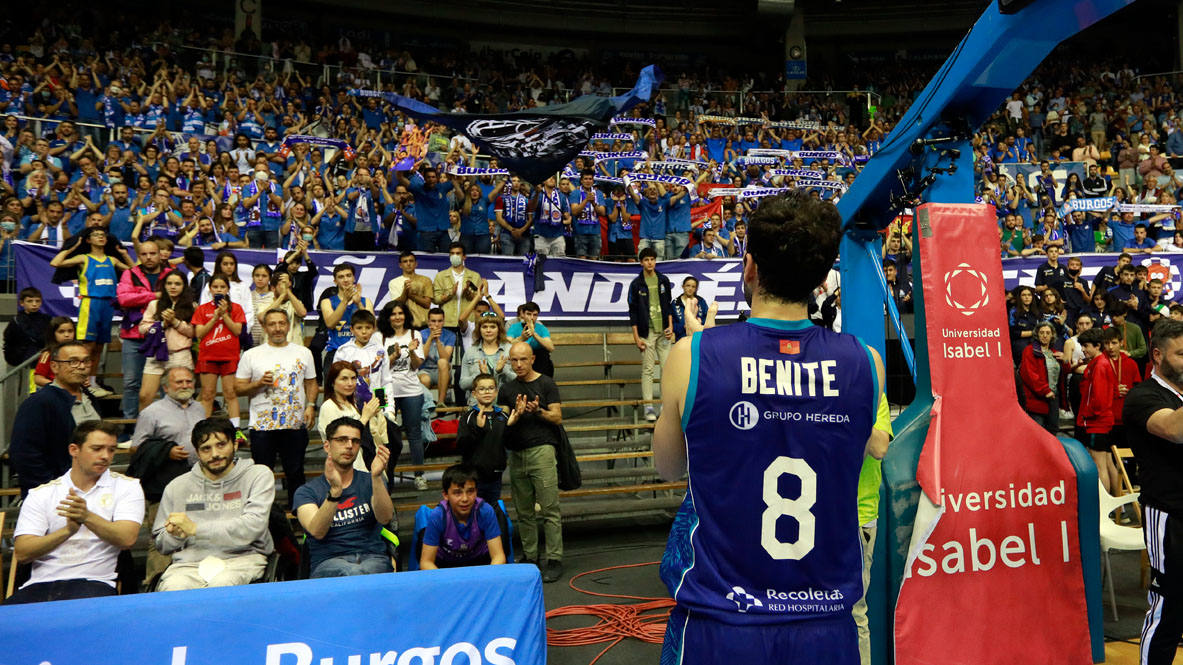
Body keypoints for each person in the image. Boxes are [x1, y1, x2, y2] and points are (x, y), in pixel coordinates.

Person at [652, 190, 885, 665]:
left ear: (750, 265)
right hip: (826, 621)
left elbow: (668, 468)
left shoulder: (691, 356)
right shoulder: (868, 363)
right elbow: (851, 459)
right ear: (822, 279)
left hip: (723, 618)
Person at [7, 421, 143, 604]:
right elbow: (23, 553)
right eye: (97, 449)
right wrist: (66, 531)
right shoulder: (43, 493)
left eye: (111, 450)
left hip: (94, 581)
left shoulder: (127, 487)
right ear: (74, 450)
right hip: (39, 583)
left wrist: (87, 517)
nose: (105, 456)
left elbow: (127, 539)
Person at [1121, 318, 1183, 665]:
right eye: (1182, 354)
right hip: (1170, 515)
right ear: (1157, 356)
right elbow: (1175, 430)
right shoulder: (1143, 396)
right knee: (1170, 605)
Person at [153, 418, 274, 590]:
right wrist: (174, 535)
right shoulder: (176, 487)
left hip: (242, 560)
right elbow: (161, 545)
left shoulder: (258, 475)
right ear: (197, 452)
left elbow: (254, 526)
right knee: (174, 588)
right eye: (206, 449)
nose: (214, 454)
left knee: (222, 585)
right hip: (189, 565)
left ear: (235, 445)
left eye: (221, 445)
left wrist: (195, 529)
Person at [129, 366, 206, 584]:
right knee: (162, 535)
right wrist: (166, 451)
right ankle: (155, 583)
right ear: (165, 387)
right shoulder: (151, 413)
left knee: (193, 532)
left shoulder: (199, 408)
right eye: (178, 382)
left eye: (188, 382)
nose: (184, 386)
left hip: (196, 481)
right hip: (163, 485)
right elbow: (136, 449)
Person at [236, 309, 318, 509]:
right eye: (272, 324)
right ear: (264, 327)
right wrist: (256, 384)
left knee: (296, 471)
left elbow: (311, 383)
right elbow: (238, 388)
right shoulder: (251, 355)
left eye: (281, 323)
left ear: (288, 325)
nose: (278, 328)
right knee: (262, 475)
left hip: (294, 423)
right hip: (262, 427)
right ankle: (265, 517)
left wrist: (311, 405)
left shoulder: (303, 352)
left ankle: (299, 513)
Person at [294, 416, 394, 578]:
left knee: (366, 572)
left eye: (355, 441)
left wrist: (376, 477)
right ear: (327, 446)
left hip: (372, 558)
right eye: (342, 440)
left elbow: (385, 518)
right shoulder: (307, 492)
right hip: (329, 562)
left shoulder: (371, 481)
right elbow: (316, 531)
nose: (349, 446)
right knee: (354, 573)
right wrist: (335, 492)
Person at [498, 342, 564, 582]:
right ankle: (531, 555)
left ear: (532, 359)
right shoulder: (507, 388)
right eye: (514, 361)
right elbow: (502, 419)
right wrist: (513, 415)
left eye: (523, 360)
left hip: (542, 451)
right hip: (516, 453)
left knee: (549, 509)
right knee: (524, 510)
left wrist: (538, 411)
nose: (518, 365)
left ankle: (554, 558)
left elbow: (557, 417)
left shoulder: (546, 383)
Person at [10, 341, 101, 497]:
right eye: (73, 362)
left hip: (91, 492)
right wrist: (54, 492)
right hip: (56, 496)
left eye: (86, 361)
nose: (81, 366)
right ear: (54, 367)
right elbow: (26, 455)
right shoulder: (39, 403)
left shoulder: (91, 399)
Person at [50, 226, 129, 396]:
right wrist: (69, 248)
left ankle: (92, 383)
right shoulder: (83, 258)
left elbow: (135, 270)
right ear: (88, 240)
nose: (100, 237)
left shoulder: (112, 260)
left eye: (103, 235)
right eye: (96, 235)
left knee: (100, 347)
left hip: (108, 304)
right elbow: (55, 262)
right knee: (87, 346)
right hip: (90, 303)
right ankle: (82, 382)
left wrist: (124, 254)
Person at [117, 238, 175, 421]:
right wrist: (155, 296)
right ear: (138, 256)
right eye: (144, 254)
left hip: (163, 336)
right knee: (131, 383)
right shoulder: (130, 273)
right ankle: (130, 425)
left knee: (165, 384)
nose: (148, 257)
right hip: (133, 335)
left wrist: (140, 296)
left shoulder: (171, 273)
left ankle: (167, 424)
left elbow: (177, 299)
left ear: (160, 255)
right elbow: (124, 299)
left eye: (152, 253)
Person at [375, 301, 427, 488]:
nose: (397, 317)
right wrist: (393, 357)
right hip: (383, 391)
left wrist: (412, 352)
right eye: (393, 314)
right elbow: (376, 367)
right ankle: (383, 476)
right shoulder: (378, 337)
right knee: (381, 434)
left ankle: (419, 475)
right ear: (387, 317)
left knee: (414, 433)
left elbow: (416, 365)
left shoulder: (415, 335)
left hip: (411, 390)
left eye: (400, 313)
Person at [419, 463, 507, 569]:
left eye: (470, 491)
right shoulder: (438, 516)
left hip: (480, 562)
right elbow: (426, 562)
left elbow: (498, 556)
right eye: (457, 493)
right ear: (446, 495)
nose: (465, 499)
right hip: (445, 565)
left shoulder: (485, 511)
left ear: (476, 491)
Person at [458, 373, 522, 504]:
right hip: (473, 476)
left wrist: (511, 426)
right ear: (474, 394)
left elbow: (510, 444)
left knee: (491, 512)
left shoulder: (503, 416)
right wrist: (479, 429)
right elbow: (462, 446)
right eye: (482, 389)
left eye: (491, 388)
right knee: (474, 513)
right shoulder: (469, 417)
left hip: (495, 475)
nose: (487, 392)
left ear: (496, 392)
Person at [137, 270, 196, 411]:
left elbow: (193, 332)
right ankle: (145, 431)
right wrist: (162, 324)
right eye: (169, 283)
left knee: (181, 397)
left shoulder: (192, 306)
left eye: (177, 284)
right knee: (145, 396)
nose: (173, 287)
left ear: (184, 286)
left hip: (180, 355)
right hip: (156, 355)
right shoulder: (154, 304)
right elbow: (142, 329)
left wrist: (174, 321)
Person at [192, 275, 247, 424]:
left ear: (228, 289)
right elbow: (199, 333)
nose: (219, 290)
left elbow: (237, 331)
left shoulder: (236, 308)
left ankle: (235, 431)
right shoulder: (202, 309)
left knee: (230, 393)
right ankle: (204, 429)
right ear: (210, 289)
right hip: (208, 357)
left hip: (229, 357)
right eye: (215, 287)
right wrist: (215, 318)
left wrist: (225, 315)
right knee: (208, 394)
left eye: (222, 287)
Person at [1073, 328, 1122, 495]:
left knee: (1099, 465)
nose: (1083, 349)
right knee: (1108, 463)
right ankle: (1119, 509)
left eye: (1086, 346)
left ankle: (1104, 510)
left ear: (1097, 346)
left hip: (1097, 422)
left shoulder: (1100, 365)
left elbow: (1099, 399)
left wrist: (1089, 414)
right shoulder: (1101, 362)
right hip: (1103, 421)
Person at [628, 246, 674, 421]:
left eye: (653, 259)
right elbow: (632, 312)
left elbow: (668, 304)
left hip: (663, 331)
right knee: (647, 369)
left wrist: (669, 325)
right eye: (646, 260)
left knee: (667, 369)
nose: (650, 262)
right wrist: (636, 336)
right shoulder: (636, 284)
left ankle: (665, 404)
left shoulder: (663, 280)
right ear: (641, 262)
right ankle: (648, 406)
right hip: (646, 332)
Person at [320, 262, 374, 370]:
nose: (345, 279)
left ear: (353, 278)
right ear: (335, 281)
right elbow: (330, 324)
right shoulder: (327, 302)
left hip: (361, 351)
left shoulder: (365, 301)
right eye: (341, 277)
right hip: (336, 352)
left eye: (349, 275)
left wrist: (359, 303)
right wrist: (345, 300)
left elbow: (373, 326)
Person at [1019, 322, 1067, 433]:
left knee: (1053, 431)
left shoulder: (1055, 353)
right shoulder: (1029, 351)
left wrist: (1065, 360)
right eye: (1041, 333)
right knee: (1037, 433)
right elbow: (1030, 375)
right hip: (1037, 398)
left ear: (1052, 335)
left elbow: (1063, 374)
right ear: (1037, 335)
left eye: (1047, 333)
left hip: (1053, 398)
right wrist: (1045, 390)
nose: (1045, 335)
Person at [461, 314, 516, 405]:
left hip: (505, 403)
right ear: (479, 330)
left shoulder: (510, 350)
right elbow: (463, 384)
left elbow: (519, 380)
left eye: (493, 327)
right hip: (477, 404)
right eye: (484, 327)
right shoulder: (470, 352)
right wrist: (479, 375)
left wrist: (504, 371)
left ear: (499, 329)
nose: (488, 330)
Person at [4, 286, 51, 369]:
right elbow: (8, 341)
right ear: (22, 303)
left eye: (37, 301)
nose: (34, 304)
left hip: (43, 360)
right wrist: (13, 358)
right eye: (30, 301)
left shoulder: (46, 319)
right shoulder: (16, 321)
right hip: (22, 361)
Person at [417, 307, 457, 406]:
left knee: (442, 362)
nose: (436, 324)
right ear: (428, 321)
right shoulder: (420, 334)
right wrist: (430, 338)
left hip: (443, 371)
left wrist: (438, 340)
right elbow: (422, 358)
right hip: (425, 370)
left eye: (439, 321)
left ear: (443, 321)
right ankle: (426, 404)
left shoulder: (450, 335)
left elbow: (445, 358)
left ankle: (441, 401)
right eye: (433, 321)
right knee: (424, 380)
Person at [506, 302, 555, 378]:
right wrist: (521, 338)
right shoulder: (514, 327)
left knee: (543, 353)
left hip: (538, 361)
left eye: (535, 315)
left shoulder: (542, 328)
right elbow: (507, 345)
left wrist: (534, 334)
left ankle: (541, 382)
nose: (532, 318)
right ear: (523, 314)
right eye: (529, 314)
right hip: (519, 359)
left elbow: (551, 348)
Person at [387, 250, 434, 328]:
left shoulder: (426, 280)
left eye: (411, 261)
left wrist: (411, 295)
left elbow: (427, 304)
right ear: (400, 265)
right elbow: (397, 305)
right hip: (403, 325)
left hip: (423, 325)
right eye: (405, 261)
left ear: (416, 264)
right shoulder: (393, 282)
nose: (408, 264)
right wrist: (405, 291)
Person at [32, 317, 76, 391]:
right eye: (61, 332)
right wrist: (58, 386)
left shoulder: (79, 352)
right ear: (53, 334)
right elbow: (38, 379)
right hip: (54, 392)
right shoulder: (48, 354)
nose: (67, 335)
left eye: (70, 331)